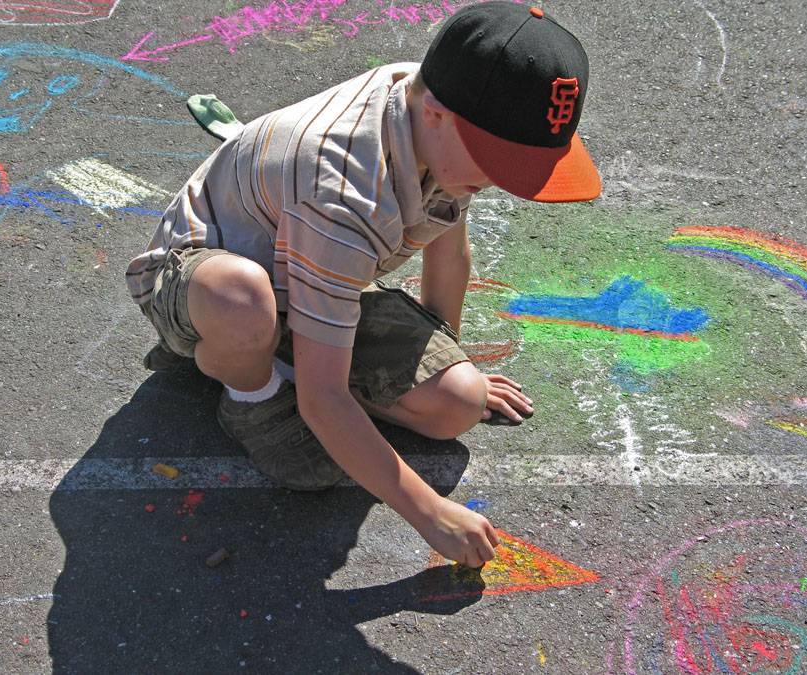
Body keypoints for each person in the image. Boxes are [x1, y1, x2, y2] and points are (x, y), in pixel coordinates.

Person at [126, 2, 601, 568]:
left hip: (307, 270)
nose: (503, 180)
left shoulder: (443, 108)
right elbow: (324, 402)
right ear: (437, 115)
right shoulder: (343, 191)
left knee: (458, 403)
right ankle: (247, 389)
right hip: (202, 287)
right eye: (498, 160)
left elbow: (450, 254)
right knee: (306, 447)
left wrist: (437, 357)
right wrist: (429, 512)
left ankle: (291, 357)